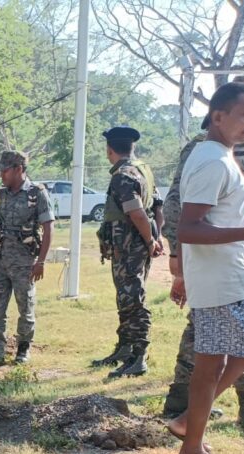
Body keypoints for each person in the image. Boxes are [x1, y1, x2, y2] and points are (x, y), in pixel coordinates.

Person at [166, 82, 244, 454]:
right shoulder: (212, 161)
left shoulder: (221, 155)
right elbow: (189, 228)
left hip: (231, 275)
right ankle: (191, 448)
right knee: (210, 365)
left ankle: (187, 423)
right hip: (219, 280)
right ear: (217, 116)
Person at [91, 126, 165, 377]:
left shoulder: (122, 176)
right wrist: (156, 237)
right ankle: (124, 349)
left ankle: (138, 357)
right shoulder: (143, 171)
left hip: (129, 248)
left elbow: (137, 212)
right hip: (135, 247)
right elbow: (158, 207)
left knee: (133, 300)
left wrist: (151, 240)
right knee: (126, 298)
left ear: (109, 150)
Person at [0, 150, 54, 367]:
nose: (1, 175)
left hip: (25, 263)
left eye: (5, 171)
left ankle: (23, 349)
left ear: (18, 169)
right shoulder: (1, 194)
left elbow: (49, 229)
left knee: (25, 307)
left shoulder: (37, 194)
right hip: (1, 261)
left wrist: (41, 262)